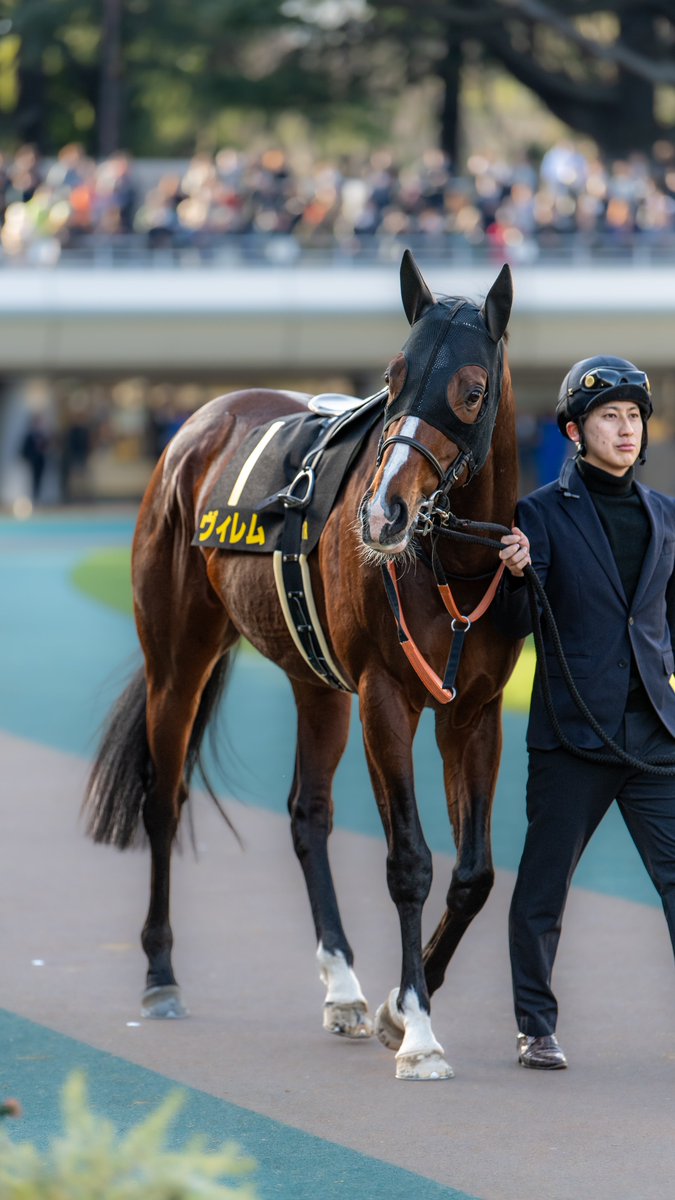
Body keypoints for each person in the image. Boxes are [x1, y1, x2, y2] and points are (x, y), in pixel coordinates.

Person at [496, 355, 675, 1070]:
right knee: (543, 888)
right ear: (575, 430)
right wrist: (514, 574)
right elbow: (514, 623)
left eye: (633, 416)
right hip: (572, 732)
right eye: (609, 416)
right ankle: (534, 1025)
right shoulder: (536, 515)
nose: (625, 428)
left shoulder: (665, 515)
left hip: (652, 734)